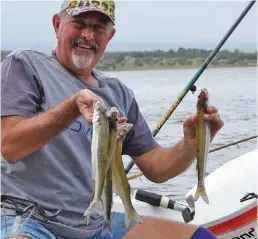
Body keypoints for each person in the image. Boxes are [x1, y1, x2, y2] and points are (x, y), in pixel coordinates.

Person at [1, 0, 223, 238]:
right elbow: (10, 146)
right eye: (79, 23)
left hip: (97, 224)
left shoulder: (119, 93)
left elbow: (157, 168)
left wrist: (191, 144)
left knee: (201, 237)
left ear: (110, 36)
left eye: (99, 28)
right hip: (26, 220)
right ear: (57, 24)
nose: (87, 35)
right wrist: (71, 108)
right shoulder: (26, 65)